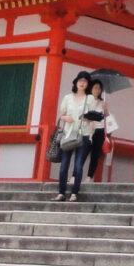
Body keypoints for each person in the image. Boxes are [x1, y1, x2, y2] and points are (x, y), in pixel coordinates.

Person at [55, 71, 95, 202]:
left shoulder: (90, 99)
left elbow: (93, 118)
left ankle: (74, 193)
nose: (82, 83)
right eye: (80, 80)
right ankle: (61, 192)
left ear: (88, 84)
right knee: (64, 164)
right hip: (67, 133)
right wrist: (66, 118)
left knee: (78, 165)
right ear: (76, 82)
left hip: (83, 134)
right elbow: (61, 114)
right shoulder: (67, 98)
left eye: (85, 81)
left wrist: (86, 119)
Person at [84, 81, 110, 181]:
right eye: (95, 88)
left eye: (99, 88)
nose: (97, 90)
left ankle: (89, 176)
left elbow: (107, 117)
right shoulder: (86, 101)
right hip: (88, 130)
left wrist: (106, 109)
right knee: (83, 153)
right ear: (91, 89)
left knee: (95, 155)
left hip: (99, 130)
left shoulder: (102, 103)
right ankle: (75, 175)